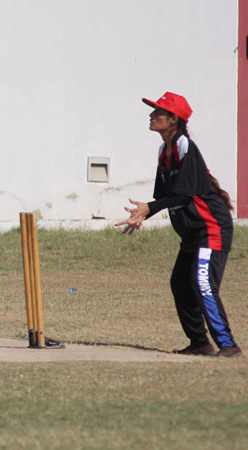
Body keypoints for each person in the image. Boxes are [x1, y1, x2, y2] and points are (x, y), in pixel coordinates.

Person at [116, 92, 241, 358]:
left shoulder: (185, 146)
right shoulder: (165, 151)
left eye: (158, 112)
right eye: (152, 110)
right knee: (180, 283)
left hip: (211, 229)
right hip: (193, 232)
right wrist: (143, 214)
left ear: (174, 119)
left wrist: (149, 208)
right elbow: (164, 198)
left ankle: (228, 345)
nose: (152, 116)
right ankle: (199, 343)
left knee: (203, 283)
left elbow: (185, 195)